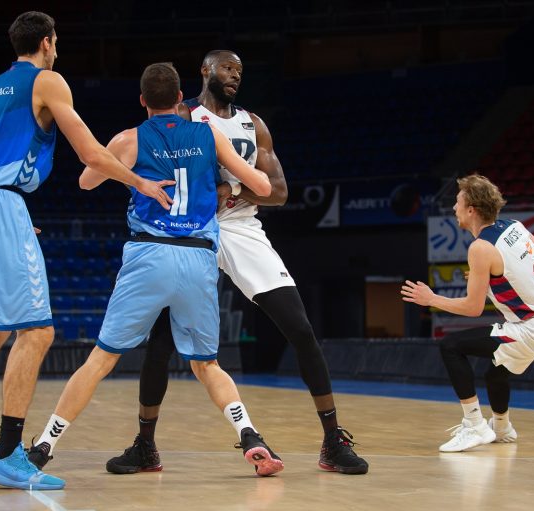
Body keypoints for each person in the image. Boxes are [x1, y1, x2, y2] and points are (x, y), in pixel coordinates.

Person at [0, 11, 173, 491]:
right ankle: (6, 453)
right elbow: (90, 153)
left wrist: (5, 213)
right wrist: (141, 182)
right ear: (47, 42)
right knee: (38, 333)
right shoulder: (47, 81)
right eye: (56, 41)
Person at [104, 50, 369, 475]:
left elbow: (279, 191)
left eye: (241, 71)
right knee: (160, 345)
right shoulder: (181, 115)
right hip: (190, 232)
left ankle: (332, 442)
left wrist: (235, 192)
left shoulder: (253, 124)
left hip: (242, 229)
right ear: (205, 71)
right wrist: (221, 185)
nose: (235, 76)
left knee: (300, 329)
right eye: (228, 68)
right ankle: (145, 445)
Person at [26, 62, 284, 479]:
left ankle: (43, 446)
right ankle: (250, 435)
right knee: (207, 365)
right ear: (181, 98)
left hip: (149, 255)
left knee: (101, 359)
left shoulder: (129, 139)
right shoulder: (207, 134)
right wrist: (226, 186)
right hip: (198, 258)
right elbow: (264, 187)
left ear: (143, 100)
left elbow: (87, 182)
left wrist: (132, 175)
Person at [401, 174, 534, 452]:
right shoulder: (515, 226)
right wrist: (492, 277)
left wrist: (431, 298)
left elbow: (473, 309)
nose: (454, 208)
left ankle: (474, 424)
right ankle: (502, 428)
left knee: (451, 346)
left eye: (457, 202)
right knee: (495, 373)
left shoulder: (480, 248)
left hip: (531, 329)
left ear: (471, 209)